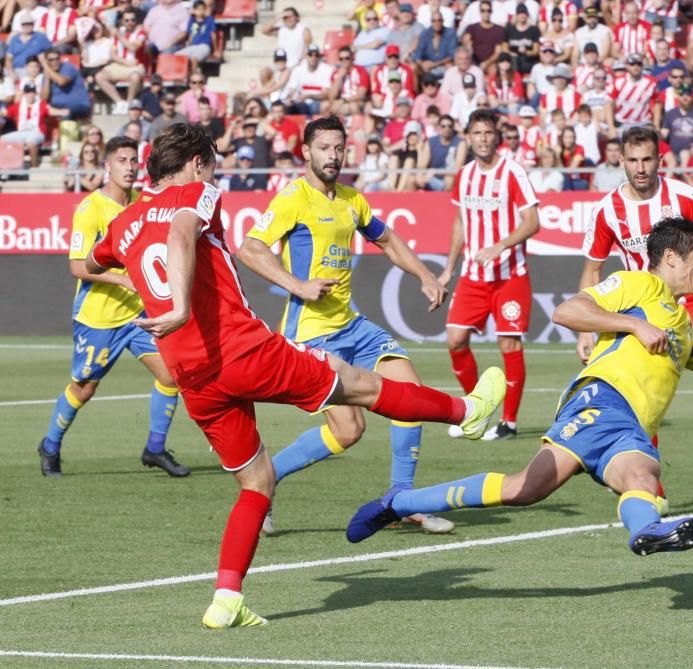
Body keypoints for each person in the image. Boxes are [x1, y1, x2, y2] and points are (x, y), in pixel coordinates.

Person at [84, 122, 506, 628]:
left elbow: (91, 259)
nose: (215, 168)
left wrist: (134, 266)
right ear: (197, 162)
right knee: (362, 387)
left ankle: (227, 598)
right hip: (242, 351)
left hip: (191, 374)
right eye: (213, 159)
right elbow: (178, 232)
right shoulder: (199, 191)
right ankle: (470, 412)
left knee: (256, 481)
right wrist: (178, 303)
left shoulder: (123, 219)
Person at [346, 218, 693, 554]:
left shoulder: (686, 328)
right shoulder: (638, 285)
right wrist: (632, 325)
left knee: (626, 479)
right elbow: (567, 311)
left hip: (628, 427)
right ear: (670, 257)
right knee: (530, 489)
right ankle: (399, 501)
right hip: (601, 399)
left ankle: (645, 533)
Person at [238, 115, 457, 535]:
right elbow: (250, 248)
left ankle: (400, 499)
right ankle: (266, 479)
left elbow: (388, 240)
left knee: (410, 397)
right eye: (324, 148)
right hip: (313, 334)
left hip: (351, 325)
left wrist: (425, 276)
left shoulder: (352, 200)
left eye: (339, 148)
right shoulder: (292, 199)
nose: (334, 156)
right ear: (306, 152)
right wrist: (296, 285)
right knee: (349, 430)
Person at [577, 124, 693, 517]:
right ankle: (653, 490)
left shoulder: (684, 196)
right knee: (638, 397)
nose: (640, 167)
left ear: (659, 159)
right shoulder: (607, 211)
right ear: (620, 161)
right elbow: (592, 271)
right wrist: (587, 328)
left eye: (647, 159)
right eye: (632, 160)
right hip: (641, 311)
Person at [38, 136, 190, 478]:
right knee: (85, 388)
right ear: (107, 166)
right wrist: (123, 281)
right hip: (99, 318)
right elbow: (78, 267)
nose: (130, 166)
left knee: (172, 374)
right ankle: (50, 446)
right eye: (122, 160)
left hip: (138, 317)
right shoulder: (91, 209)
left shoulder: (142, 203)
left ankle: (154, 448)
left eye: (134, 160)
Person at [439, 108, 541, 441]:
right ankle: (477, 411)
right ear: (467, 138)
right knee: (455, 339)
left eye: (488, 133)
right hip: (472, 275)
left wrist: (501, 245)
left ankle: (509, 422)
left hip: (509, 275)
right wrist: (449, 269)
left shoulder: (512, 172)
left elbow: (532, 221)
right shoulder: (464, 175)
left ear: (496, 136)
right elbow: (458, 223)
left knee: (508, 342)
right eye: (477, 134)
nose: (483, 139)